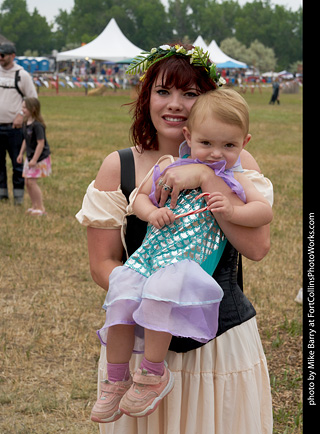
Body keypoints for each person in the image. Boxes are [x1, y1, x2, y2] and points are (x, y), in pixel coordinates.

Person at [76, 44, 274, 434]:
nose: (175, 104)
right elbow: (102, 264)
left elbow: (257, 248)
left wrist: (205, 178)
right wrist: (154, 296)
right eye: (163, 91)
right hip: (139, 347)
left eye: (190, 93)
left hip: (218, 345)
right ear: (146, 96)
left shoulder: (237, 164)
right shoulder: (122, 166)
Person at [0, 42, 38, 205]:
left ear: (12, 56)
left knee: (17, 163)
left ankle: (18, 198)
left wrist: (21, 115)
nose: (0, 58)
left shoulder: (22, 75)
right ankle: (2, 195)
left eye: (3, 55)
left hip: (14, 128)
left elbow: (33, 100)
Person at [16, 97, 51, 216]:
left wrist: (35, 159)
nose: (22, 109)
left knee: (32, 182)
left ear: (33, 109)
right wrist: (21, 153)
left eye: (25, 107)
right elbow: (25, 140)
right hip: (30, 157)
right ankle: (34, 206)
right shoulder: (26, 123)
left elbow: (41, 143)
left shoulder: (38, 125)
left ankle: (41, 208)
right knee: (27, 182)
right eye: (22, 107)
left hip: (39, 158)